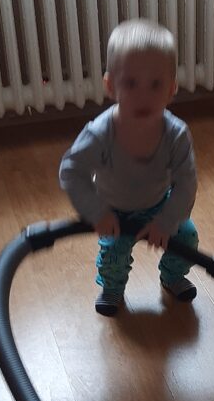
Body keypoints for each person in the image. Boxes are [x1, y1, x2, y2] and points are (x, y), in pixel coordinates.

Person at [59, 19, 199, 316]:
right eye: (131, 83)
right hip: (115, 211)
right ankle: (112, 287)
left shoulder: (176, 134)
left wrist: (167, 220)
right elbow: (72, 171)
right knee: (114, 252)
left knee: (186, 236)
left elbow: (187, 182)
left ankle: (173, 275)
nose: (143, 95)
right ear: (111, 85)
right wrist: (96, 211)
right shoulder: (100, 133)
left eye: (156, 85)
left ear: (172, 89)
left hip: (159, 204)